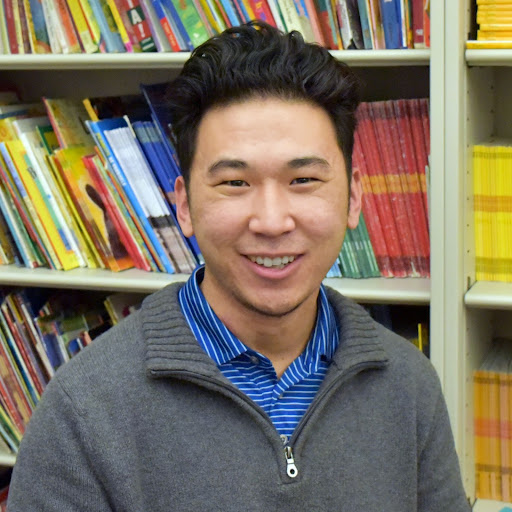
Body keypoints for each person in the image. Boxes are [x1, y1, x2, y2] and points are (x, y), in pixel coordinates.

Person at [7, 22, 470, 511]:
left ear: (353, 197)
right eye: (234, 183)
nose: (271, 221)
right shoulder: (84, 408)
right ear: (183, 205)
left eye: (303, 180)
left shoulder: (409, 384)